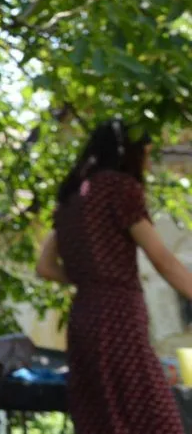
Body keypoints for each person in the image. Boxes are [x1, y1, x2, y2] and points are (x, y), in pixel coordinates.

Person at [36, 119, 192, 434]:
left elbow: (45, 267)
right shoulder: (120, 189)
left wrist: (91, 277)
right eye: (145, 155)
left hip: (84, 321)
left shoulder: (73, 197)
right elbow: (162, 259)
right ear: (128, 153)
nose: (147, 165)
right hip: (120, 318)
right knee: (157, 421)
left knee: (102, 422)